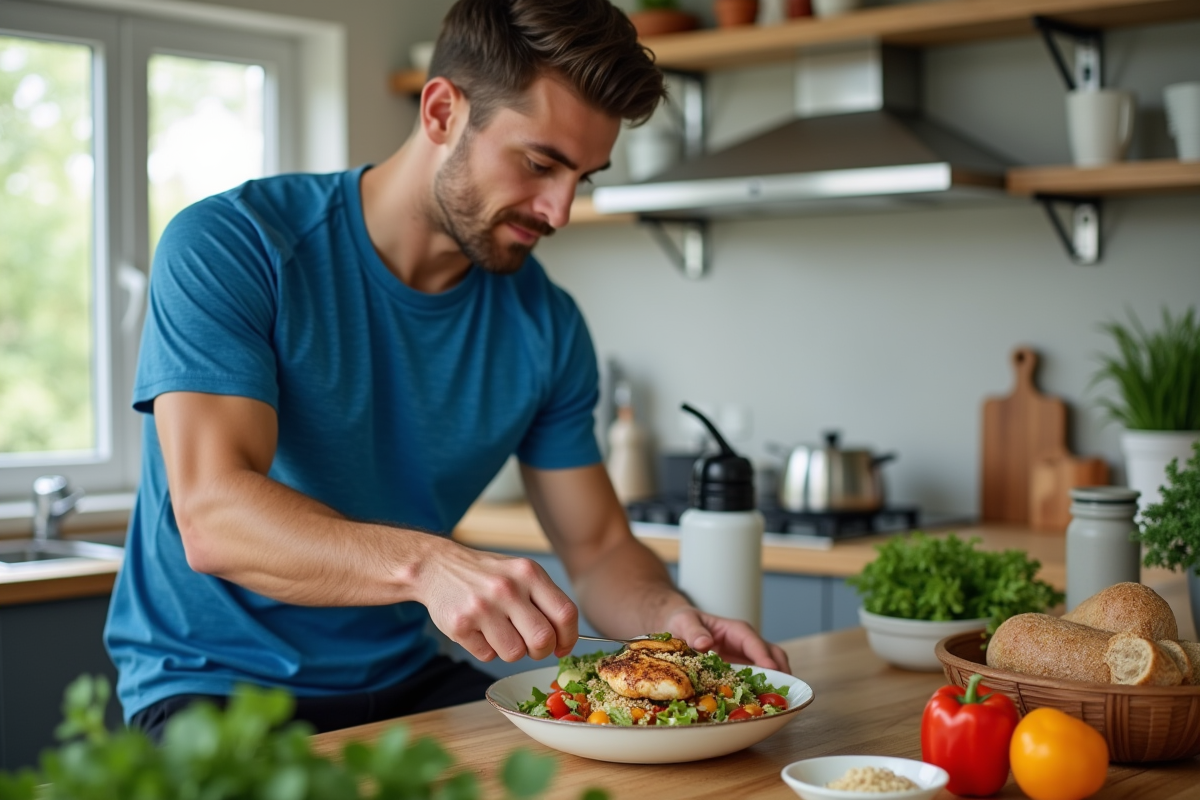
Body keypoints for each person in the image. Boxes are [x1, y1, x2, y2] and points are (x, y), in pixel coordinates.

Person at [104, 0, 790, 741]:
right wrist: (429, 567)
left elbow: (598, 549)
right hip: (212, 689)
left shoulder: (546, 324)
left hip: (408, 680)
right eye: (540, 164)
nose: (560, 210)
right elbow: (213, 517)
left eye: (583, 177)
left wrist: (671, 618)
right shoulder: (234, 246)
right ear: (441, 112)